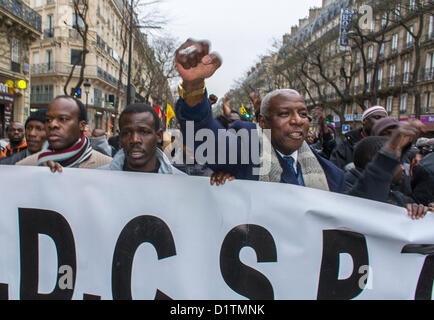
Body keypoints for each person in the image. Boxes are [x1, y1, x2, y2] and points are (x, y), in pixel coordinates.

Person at [174, 39, 344, 192]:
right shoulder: (246, 156)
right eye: (285, 114)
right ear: (263, 122)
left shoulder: (333, 177)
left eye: (303, 114)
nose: (297, 120)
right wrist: (194, 85)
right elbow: (206, 137)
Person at [347, 121, 430, 219]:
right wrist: (390, 149)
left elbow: (412, 207)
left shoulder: (396, 195)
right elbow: (369, 201)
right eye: (397, 163)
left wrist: (421, 211)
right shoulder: (347, 194)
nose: (403, 168)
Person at [16, 95, 112, 171]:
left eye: (63, 119)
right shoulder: (24, 166)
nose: (52, 124)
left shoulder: (108, 167)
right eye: (48, 119)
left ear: (82, 126)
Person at [99, 103, 184, 175]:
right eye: (127, 133)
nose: (135, 139)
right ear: (120, 137)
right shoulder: (98, 180)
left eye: (144, 132)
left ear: (158, 136)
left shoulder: (181, 183)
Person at [330, 105, 388, 171]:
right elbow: (334, 172)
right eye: (377, 117)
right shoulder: (346, 146)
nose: (382, 122)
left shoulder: (389, 146)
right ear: (364, 121)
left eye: (384, 119)